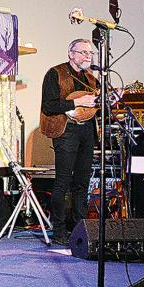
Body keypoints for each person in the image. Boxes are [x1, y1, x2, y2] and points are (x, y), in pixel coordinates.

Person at [39, 38, 98, 243]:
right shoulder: (55, 73)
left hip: (87, 132)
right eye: (83, 52)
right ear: (71, 54)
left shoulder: (91, 78)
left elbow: (96, 106)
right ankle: (60, 232)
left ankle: (80, 230)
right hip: (65, 131)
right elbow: (48, 105)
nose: (87, 56)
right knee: (63, 181)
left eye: (90, 53)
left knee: (82, 182)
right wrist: (76, 101)